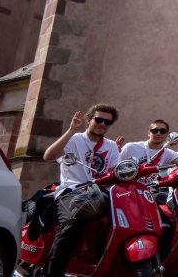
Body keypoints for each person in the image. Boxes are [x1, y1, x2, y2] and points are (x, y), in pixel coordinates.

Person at [42, 104, 121, 277]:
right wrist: (70, 130)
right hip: (71, 192)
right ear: (89, 119)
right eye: (98, 119)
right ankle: (52, 273)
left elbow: (115, 173)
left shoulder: (111, 147)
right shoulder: (75, 139)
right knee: (72, 226)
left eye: (107, 122)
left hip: (100, 194)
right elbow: (47, 156)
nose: (102, 124)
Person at [119, 119, 178, 186]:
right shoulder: (130, 147)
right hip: (128, 188)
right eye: (155, 131)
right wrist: (117, 150)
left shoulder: (169, 153)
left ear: (167, 134)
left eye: (162, 131)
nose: (158, 133)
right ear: (149, 133)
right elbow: (115, 167)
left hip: (149, 191)